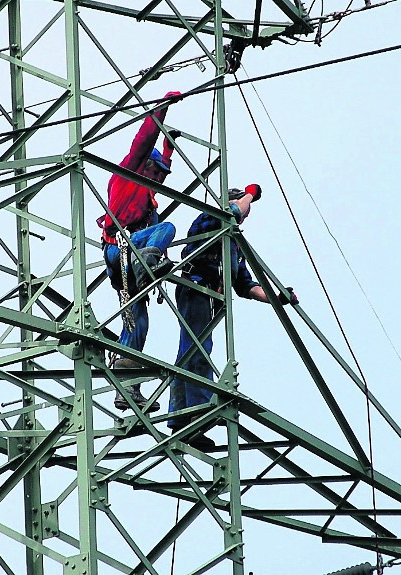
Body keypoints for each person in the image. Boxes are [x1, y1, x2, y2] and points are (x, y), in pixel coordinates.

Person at [167, 185, 298, 448]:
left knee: (192, 350)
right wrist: (250, 195)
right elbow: (234, 212)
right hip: (195, 286)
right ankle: (197, 411)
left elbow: (245, 286)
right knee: (198, 348)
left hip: (209, 296)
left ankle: (184, 419)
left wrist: (277, 297)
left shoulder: (234, 246)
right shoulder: (211, 217)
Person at [98, 90, 181, 413]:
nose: (161, 179)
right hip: (119, 251)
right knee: (167, 230)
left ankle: (126, 387)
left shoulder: (149, 202)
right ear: (146, 167)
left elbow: (162, 159)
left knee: (138, 324)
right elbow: (142, 141)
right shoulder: (128, 174)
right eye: (158, 173)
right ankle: (149, 262)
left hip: (131, 262)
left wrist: (168, 149)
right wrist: (161, 110)